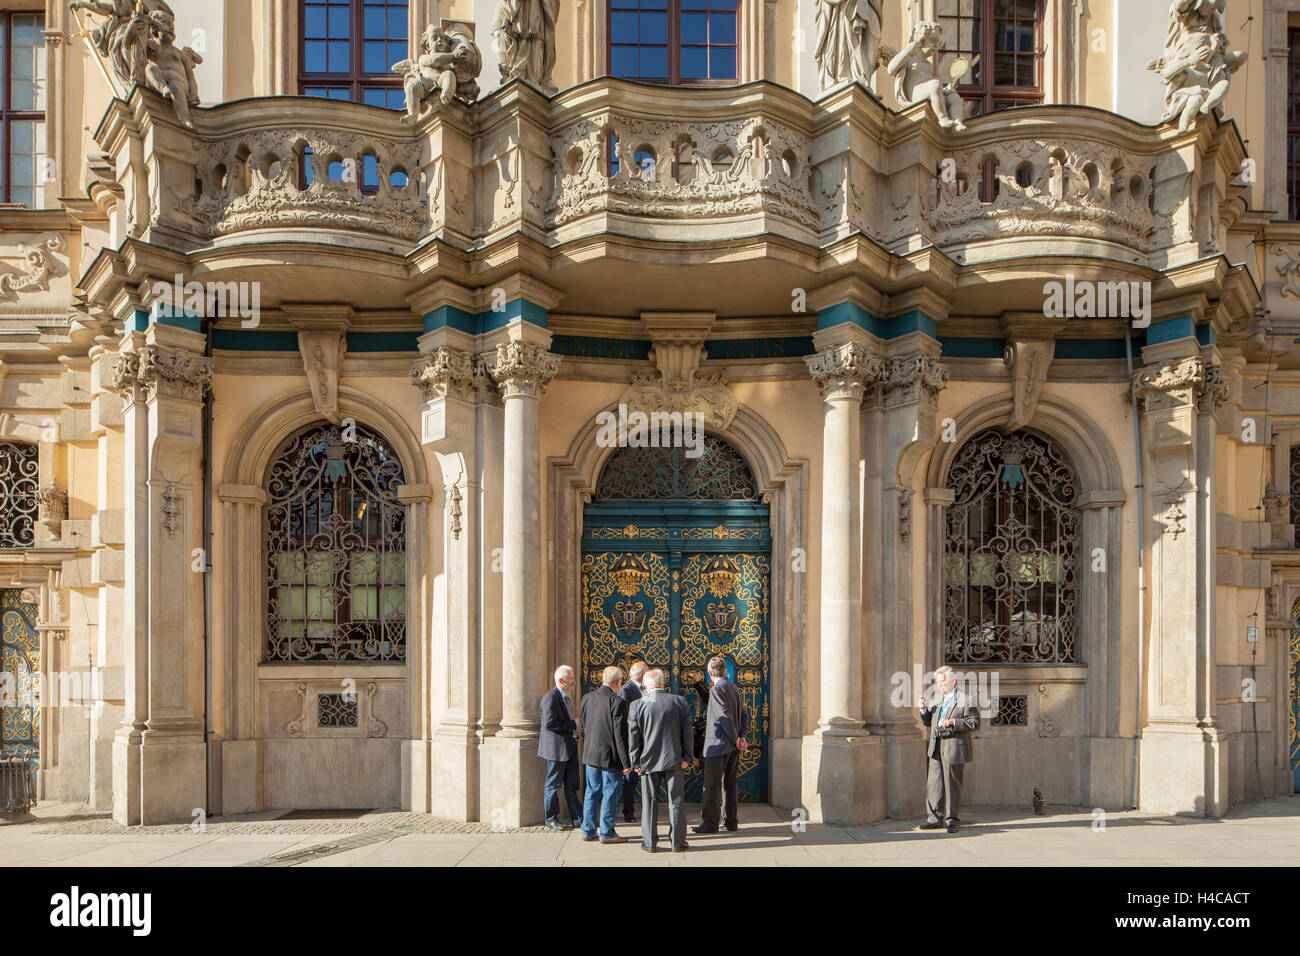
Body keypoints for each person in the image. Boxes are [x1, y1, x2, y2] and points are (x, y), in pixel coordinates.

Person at [628, 669, 693, 853]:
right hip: (674, 759)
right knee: (676, 800)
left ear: (646, 685)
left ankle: (649, 843)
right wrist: (687, 757)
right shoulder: (678, 701)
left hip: (647, 761)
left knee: (649, 801)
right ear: (663, 684)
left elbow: (634, 737)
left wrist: (636, 762)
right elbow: (687, 733)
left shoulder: (637, 705)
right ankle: (677, 843)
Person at [917, 665, 980, 833]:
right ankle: (934, 818)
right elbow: (929, 722)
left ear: (953, 681)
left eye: (943, 682)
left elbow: (975, 723)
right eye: (938, 683)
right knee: (934, 784)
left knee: (952, 785)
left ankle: (952, 819)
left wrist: (953, 722)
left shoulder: (966, 699)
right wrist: (923, 710)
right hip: (936, 745)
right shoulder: (937, 699)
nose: (940, 686)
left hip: (954, 746)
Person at [693, 657, 748, 834]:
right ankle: (731, 821)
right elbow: (744, 715)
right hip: (733, 747)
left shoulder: (717, 689)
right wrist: (742, 737)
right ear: (724, 671)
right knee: (730, 784)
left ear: (710, 673)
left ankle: (710, 823)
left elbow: (723, 716)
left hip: (718, 745)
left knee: (712, 785)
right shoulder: (734, 688)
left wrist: (735, 738)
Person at [578, 665, 632, 844]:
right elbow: (620, 735)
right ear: (618, 682)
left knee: (591, 792)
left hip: (590, 753)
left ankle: (588, 830)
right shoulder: (617, 702)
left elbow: (583, 727)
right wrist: (626, 762)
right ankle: (607, 832)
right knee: (610, 793)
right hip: (610, 756)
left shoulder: (587, 698)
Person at [538, 665, 581, 831]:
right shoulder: (550, 698)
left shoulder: (565, 697)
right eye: (571, 679)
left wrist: (574, 733)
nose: (574, 681)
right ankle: (551, 818)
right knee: (553, 784)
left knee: (571, 785)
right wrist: (572, 724)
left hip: (568, 747)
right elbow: (550, 724)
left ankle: (577, 818)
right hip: (556, 750)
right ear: (561, 680)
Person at [618, 660, 648, 822]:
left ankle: (647, 809)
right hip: (633, 741)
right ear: (642, 675)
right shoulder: (626, 690)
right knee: (631, 778)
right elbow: (623, 720)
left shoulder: (646, 688)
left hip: (647, 740)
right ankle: (628, 811)